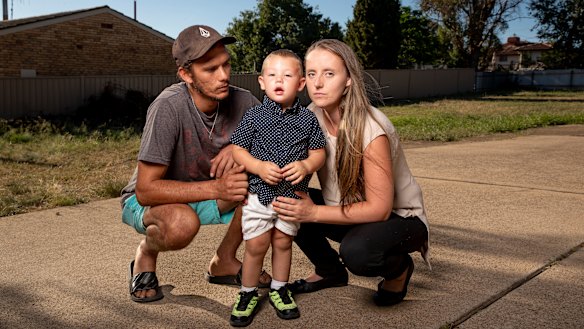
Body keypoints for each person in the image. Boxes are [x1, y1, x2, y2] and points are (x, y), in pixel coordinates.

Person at [272, 39, 430, 306]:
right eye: (312, 74)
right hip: (348, 208)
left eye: (329, 73)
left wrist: (313, 213)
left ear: (348, 79)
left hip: (399, 218)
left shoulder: (370, 128)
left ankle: (399, 269)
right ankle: (329, 270)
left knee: (358, 253)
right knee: (285, 199)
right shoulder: (312, 115)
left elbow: (379, 209)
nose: (318, 83)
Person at [120, 25, 271, 303]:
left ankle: (224, 261)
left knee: (268, 187)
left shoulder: (244, 102)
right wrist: (217, 187)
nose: (224, 75)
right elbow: (146, 190)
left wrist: (238, 149)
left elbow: (278, 147)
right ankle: (146, 252)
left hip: (210, 192)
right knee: (180, 225)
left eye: (226, 64)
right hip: (152, 202)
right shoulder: (168, 106)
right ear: (186, 74)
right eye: (210, 69)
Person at [228, 49, 326, 327]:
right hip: (259, 195)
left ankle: (279, 288)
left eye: (286, 75)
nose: (278, 80)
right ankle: (247, 293)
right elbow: (237, 150)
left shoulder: (308, 120)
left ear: (301, 84)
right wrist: (258, 166)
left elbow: (319, 153)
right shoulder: (254, 116)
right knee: (256, 245)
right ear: (261, 82)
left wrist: (307, 166)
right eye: (272, 75)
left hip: (290, 197)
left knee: (283, 243)